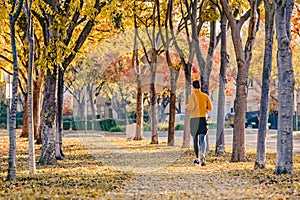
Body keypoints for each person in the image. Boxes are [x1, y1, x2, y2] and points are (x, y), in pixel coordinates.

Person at [186, 80, 212, 166]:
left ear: (193, 87)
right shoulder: (205, 96)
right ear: (199, 86)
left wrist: (187, 106)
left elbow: (191, 107)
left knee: (195, 139)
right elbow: (210, 107)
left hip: (194, 119)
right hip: (202, 118)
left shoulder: (191, 96)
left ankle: (197, 158)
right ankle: (203, 155)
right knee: (202, 138)